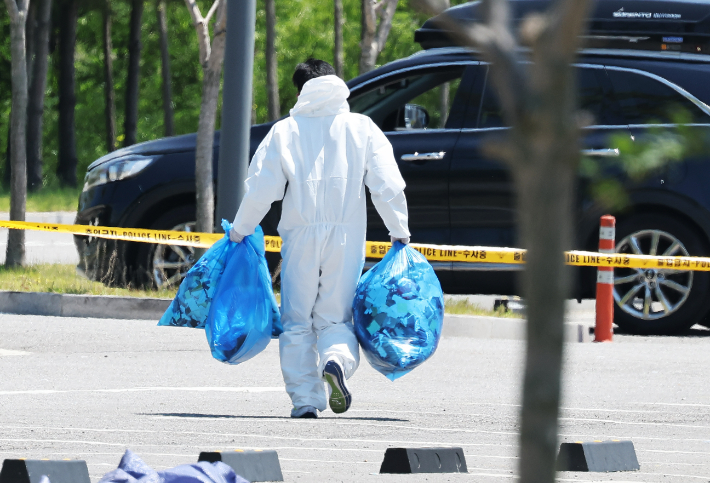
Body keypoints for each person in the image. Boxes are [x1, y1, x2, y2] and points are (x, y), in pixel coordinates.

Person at [230, 59, 410, 419]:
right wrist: (400, 231)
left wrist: (240, 230)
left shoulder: (285, 131)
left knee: (297, 319)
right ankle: (336, 362)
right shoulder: (362, 128)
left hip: (299, 236)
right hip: (347, 235)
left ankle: (305, 401)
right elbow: (387, 185)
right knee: (335, 318)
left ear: (300, 91)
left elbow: (260, 191)